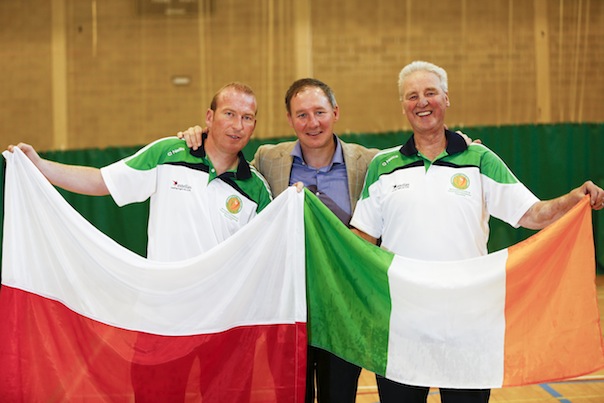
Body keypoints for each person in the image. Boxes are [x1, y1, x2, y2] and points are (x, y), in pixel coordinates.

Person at [349, 60, 604, 403]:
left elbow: (531, 214)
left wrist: (572, 199)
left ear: (446, 98)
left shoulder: (480, 158)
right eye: (412, 96)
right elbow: (362, 238)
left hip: (467, 322)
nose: (421, 102)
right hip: (402, 323)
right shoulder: (383, 165)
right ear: (403, 106)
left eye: (430, 93)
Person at [7, 82, 273, 401]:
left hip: (224, 322)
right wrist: (39, 165)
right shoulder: (168, 153)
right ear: (209, 116)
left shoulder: (256, 189)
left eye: (247, 117)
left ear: (255, 125)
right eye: (229, 114)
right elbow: (100, 181)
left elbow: (268, 251)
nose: (237, 125)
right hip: (161, 317)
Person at [180, 78, 378, 402]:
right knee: (290, 395)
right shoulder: (268, 159)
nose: (312, 123)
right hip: (287, 309)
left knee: (339, 396)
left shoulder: (369, 162)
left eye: (319, 112)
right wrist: (196, 137)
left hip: (344, 310)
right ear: (289, 119)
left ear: (336, 112)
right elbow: (227, 163)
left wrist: (459, 142)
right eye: (302, 115)